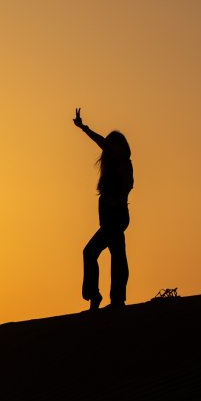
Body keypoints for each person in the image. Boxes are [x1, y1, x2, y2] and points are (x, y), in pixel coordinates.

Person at [73, 108, 134, 310]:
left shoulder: (124, 165)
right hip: (109, 218)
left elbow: (126, 188)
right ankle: (110, 298)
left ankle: (107, 298)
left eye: (112, 147)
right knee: (114, 255)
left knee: (100, 253)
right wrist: (83, 128)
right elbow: (100, 141)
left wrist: (115, 202)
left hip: (116, 217)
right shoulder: (114, 161)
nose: (108, 150)